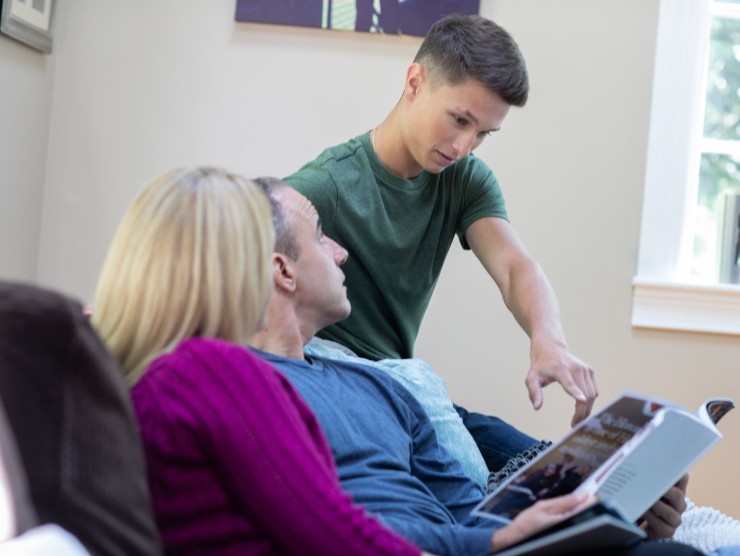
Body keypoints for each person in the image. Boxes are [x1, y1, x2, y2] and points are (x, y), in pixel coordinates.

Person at [249, 178, 702, 556]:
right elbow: (315, 526)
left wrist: (612, 519)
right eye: (320, 234)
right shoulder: (242, 391)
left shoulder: (381, 387)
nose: (340, 252)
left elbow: (470, 510)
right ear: (284, 272)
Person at [284, 13, 597, 472]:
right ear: (414, 82)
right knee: (478, 483)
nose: (465, 146)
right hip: (340, 393)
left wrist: (549, 340)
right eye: (459, 120)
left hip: (405, 389)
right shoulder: (324, 185)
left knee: (560, 468)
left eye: (483, 134)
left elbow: (514, 268)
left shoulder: (464, 180)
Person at [91, 167, 425, 556]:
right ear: (226, 269)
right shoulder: (211, 370)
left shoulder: (130, 383)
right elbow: (328, 531)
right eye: (257, 257)